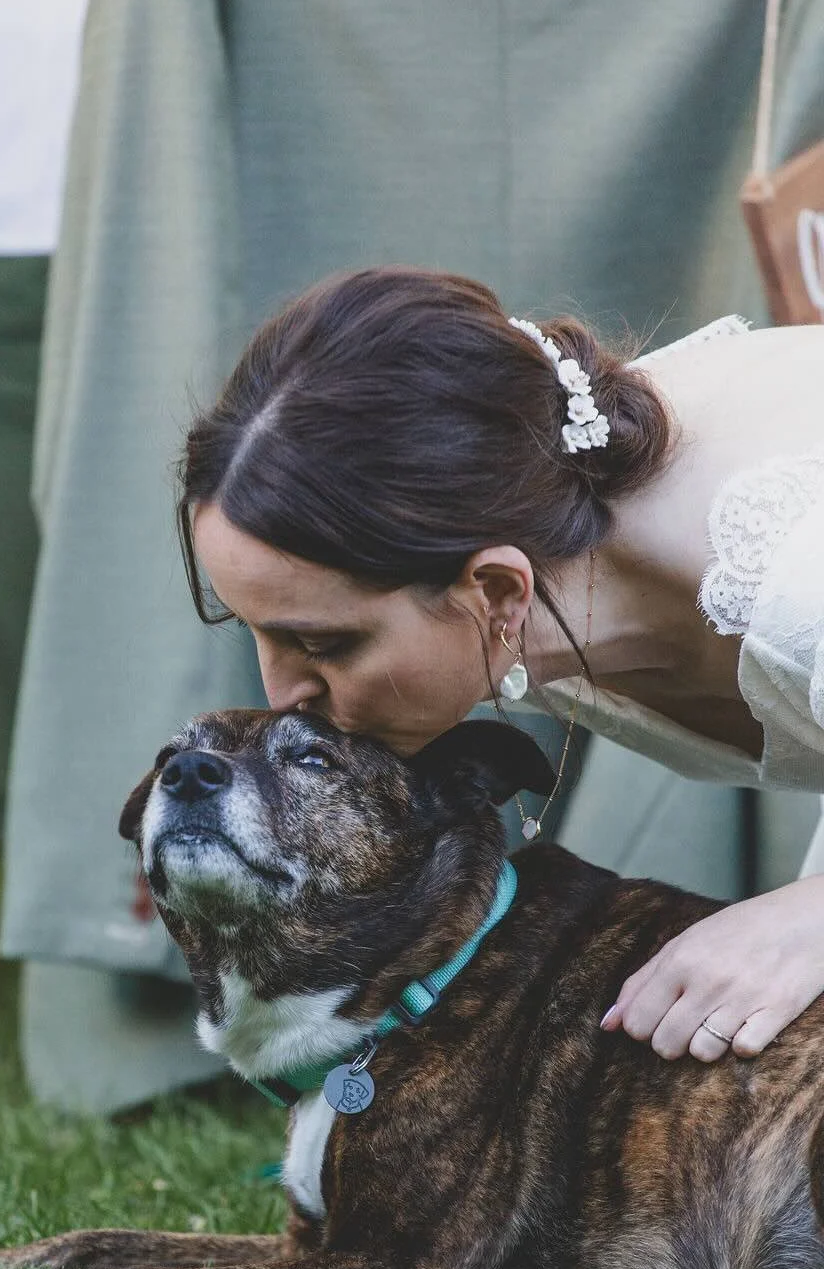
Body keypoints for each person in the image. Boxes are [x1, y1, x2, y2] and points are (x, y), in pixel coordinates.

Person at [179, 265, 824, 1065]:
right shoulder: (531, 521)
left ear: (495, 591)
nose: (282, 693)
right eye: (252, 629)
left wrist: (801, 921)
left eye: (324, 644)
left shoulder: (796, 576)